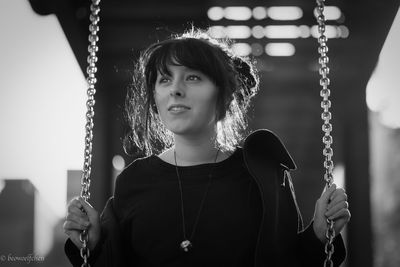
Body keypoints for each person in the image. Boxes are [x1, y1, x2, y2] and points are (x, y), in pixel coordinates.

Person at [63, 28, 350, 267]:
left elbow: (287, 261)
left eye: (192, 77)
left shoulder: (263, 175)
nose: (175, 89)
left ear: (224, 97)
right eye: (165, 79)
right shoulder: (133, 181)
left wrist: (318, 236)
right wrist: (93, 244)